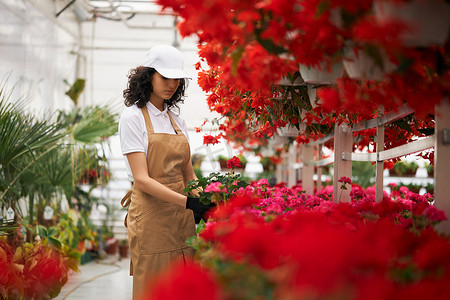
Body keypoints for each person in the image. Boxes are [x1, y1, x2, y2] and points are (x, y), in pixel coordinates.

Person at [118, 45, 214, 299]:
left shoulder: (177, 121)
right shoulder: (132, 118)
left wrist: (204, 200)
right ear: (148, 76)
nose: (171, 84)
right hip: (151, 216)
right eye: (165, 77)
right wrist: (189, 202)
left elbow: (188, 173)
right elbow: (142, 179)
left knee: (183, 285)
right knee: (154, 287)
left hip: (181, 217)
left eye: (176, 79)